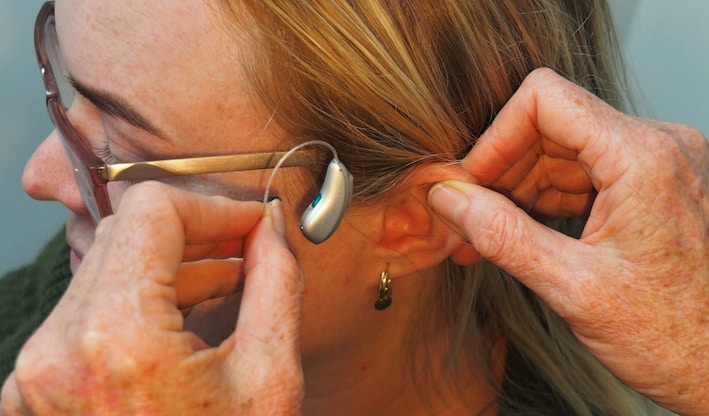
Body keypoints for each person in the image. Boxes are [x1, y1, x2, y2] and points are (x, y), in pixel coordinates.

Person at [0, 0, 706, 415]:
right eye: (63, 85)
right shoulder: (60, 330)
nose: (38, 176)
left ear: (418, 215)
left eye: (121, 147)